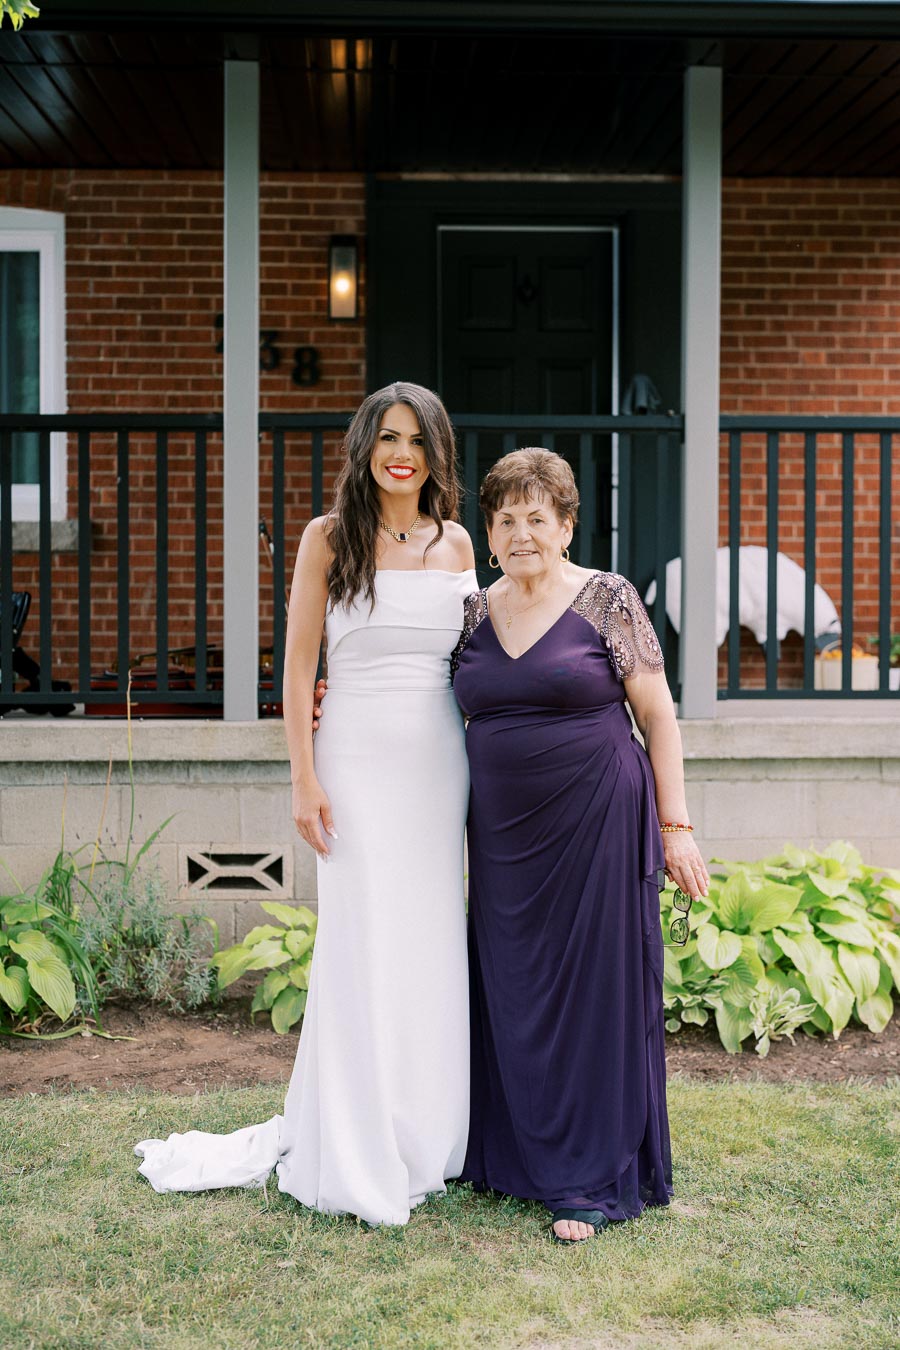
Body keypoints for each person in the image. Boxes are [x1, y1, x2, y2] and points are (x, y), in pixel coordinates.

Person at [135, 382, 477, 1226]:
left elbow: (478, 655)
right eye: (388, 438)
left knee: (428, 941)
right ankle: (355, 1142)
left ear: (437, 454)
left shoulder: (459, 540)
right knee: (362, 940)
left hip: (440, 762)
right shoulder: (328, 538)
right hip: (353, 761)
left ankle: (423, 1134)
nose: (402, 455)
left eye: (418, 441)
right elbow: (294, 670)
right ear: (365, 446)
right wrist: (303, 774)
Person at [450, 447, 709, 1245]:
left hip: (598, 820)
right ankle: (515, 1159)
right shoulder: (469, 609)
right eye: (505, 519)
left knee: (596, 992)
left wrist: (677, 827)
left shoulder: (606, 600)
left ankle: (590, 1180)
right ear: (487, 532)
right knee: (512, 988)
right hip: (503, 841)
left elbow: (658, 716)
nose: (521, 533)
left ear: (566, 525)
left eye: (538, 517)